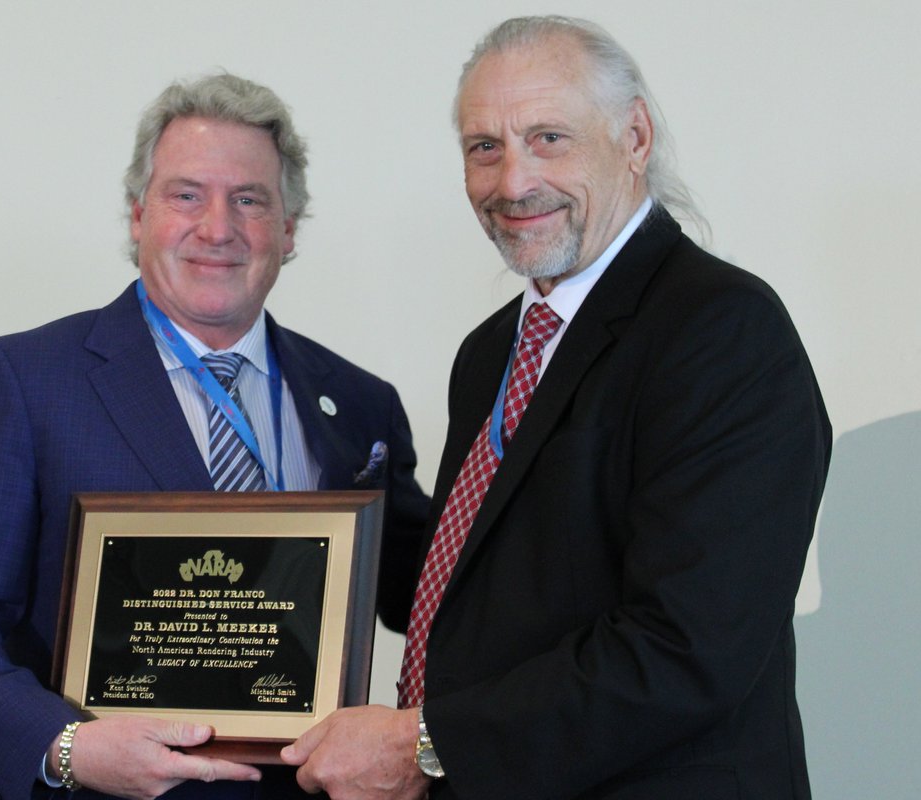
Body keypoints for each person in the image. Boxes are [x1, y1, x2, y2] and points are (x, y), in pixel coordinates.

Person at [281, 16, 830, 800]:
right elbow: (480, 590)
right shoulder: (491, 350)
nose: (512, 182)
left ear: (634, 137)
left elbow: (688, 647)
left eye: (549, 138)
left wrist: (426, 746)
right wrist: (316, 503)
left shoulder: (720, 329)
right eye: (485, 147)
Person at [0, 73, 428, 800]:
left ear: (289, 230)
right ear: (138, 215)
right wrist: (65, 746)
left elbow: (429, 589)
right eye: (186, 194)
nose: (218, 228)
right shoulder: (27, 379)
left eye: (250, 200)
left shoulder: (356, 402)